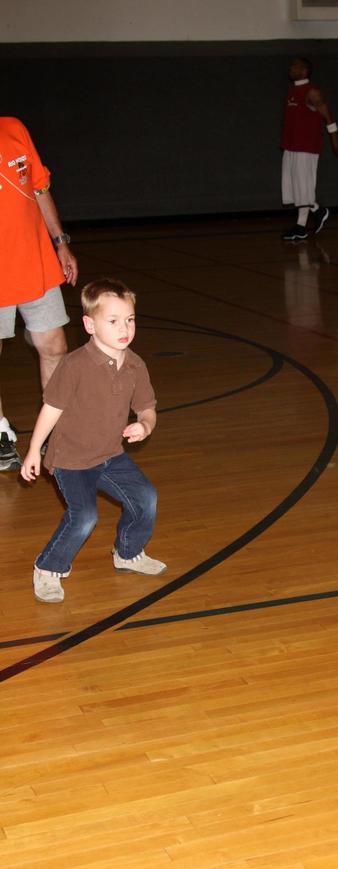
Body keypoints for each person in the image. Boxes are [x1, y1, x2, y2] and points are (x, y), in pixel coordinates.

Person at [20, 278, 166, 603]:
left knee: (145, 498)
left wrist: (145, 424)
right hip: (71, 460)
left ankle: (128, 554)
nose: (123, 328)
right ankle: (48, 568)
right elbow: (51, 409)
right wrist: (33, 451)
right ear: (89, 324)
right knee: (84, 516)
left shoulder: (135, 365)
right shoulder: (74, 366)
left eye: (129, 319)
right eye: (112, 321)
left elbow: (147, 407)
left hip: (110, 455)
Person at [0, 116, 78, 472]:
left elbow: (39, 187)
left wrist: (60, 241)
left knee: (54, 346)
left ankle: (54, 430)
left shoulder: (14, 129)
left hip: (33, 259)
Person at [280, 57, 338, 242]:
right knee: (294, 188)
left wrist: (335, 142)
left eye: (295, 66)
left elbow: (328, 116)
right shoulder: (293, 91)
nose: (291, 68)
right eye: (291, 65)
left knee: (303, 187)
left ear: (305, 71)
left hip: (306, 147)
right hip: (291, 146)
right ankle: (317, 211)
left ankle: (301, 226)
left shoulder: (312, 92)